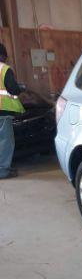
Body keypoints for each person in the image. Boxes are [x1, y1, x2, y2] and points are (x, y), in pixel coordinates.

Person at [0, 42, 24, 179]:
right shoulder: (4, 69)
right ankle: (3, 170)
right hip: (3, 111)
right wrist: (20, 89)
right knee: (5, 142)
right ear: (3, 55)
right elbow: (13, 89)